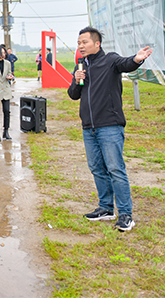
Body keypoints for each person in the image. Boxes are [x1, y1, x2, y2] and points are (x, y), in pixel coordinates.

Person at [68, 26, 151, 232]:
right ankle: (105, 208)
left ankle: (125, 214)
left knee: (115, 169)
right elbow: (73, 94)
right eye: (79, 43)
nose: (81, 46)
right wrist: (78, 79)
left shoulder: (110, 60)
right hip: (89, 128)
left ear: (97, 43)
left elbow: (127, 64)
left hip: (109, 126)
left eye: (84, 42)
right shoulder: (81, 66)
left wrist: (137, 59)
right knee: (97, 168)